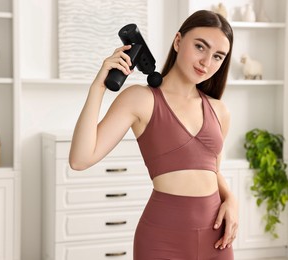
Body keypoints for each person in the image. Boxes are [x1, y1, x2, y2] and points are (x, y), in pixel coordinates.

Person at [69, 9, 238, 260]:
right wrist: (98, 87)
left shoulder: (219, 110)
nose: (206, 62)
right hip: (162, 239)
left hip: (217, 239)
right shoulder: (141, 99)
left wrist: (231, 200)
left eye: (218, 56)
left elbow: (212, 170)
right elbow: (80, 159)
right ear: (178, 41)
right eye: (200, 47)